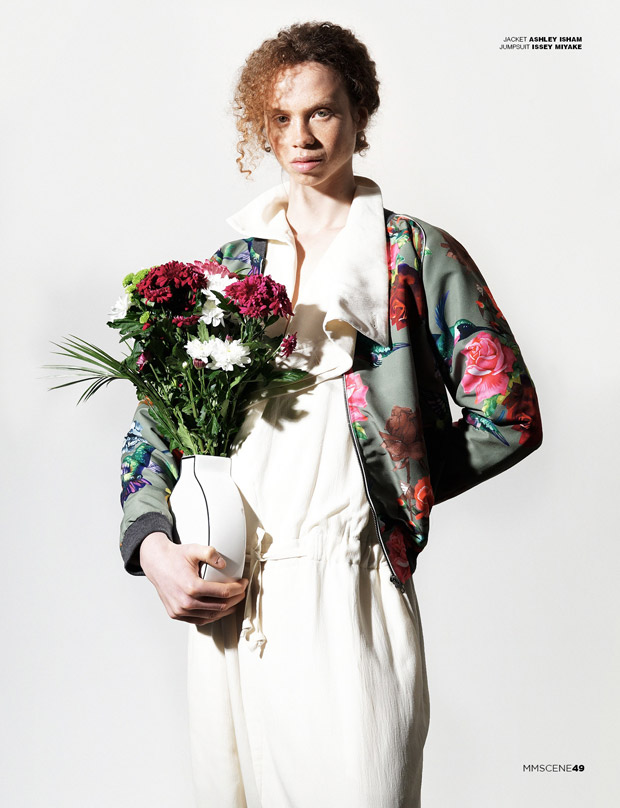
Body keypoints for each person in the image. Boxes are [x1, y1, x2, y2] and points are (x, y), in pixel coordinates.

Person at [118, 21, 543, 808]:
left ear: (359, 112)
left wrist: (398, 486)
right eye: (280, 117)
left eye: (321, 111)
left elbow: (508, 413)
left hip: (352, 590)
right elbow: (154, 427)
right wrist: (151, 549)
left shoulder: (416, 256)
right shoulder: (231, 269)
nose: (302, 136)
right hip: (230, 602)